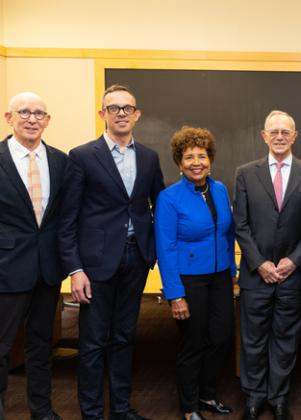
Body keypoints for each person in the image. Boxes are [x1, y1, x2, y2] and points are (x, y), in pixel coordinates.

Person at [58, 84, 165, 420]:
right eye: (114, 108)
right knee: (92, 342)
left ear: (137, 115)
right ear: (102, 113)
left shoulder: (149, 157)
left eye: (127, 108)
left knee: (124, 337)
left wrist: (155, 254)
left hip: (136, 260)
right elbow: (68, 217)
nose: (121, 113)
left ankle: (121, 408)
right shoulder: (82, 156)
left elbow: (159, 206)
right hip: (95, 265)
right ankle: (91, 412)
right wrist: (75, 269)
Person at [234, 110, 301, 420]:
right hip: (256, 275)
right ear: (264, 135)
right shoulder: (245, 173)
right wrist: (259, 264)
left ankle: (279, 397)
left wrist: (293, 261)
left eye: (286, 132)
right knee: (253, 338)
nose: (280, 136)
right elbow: (240, 225)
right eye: (275, 131)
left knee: (286, 338)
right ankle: (255, 397)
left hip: (292, 275)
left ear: (295, 136)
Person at [154, 126, 236, 420]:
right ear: (179, 162)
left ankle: (207, 394)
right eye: (189, 157)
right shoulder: (169, 198)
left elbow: (227, 233)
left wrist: (232, 268)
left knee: (221, 338)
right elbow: (165, 248)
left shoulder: (220, 188)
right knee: (193, 343)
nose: (196, 162)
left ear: (210, 159)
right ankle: (189, 407)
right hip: (189, 280)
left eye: (202, 155)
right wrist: (175, 294)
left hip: (220, 276)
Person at [0, 92, 68, 420]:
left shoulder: (59, 160)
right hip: (6, 269)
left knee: (41, 348)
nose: (32, 119)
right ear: (8, 118)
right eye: (24, 112)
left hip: (47, 269)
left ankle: (42, 411)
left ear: (48, 120)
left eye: (39, 113)